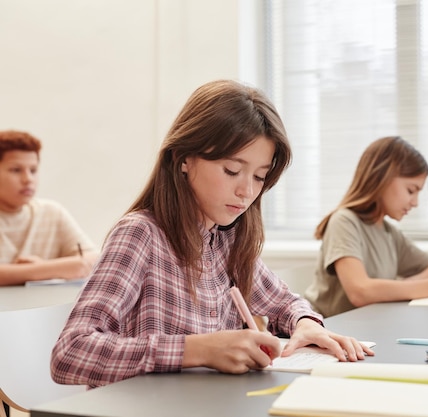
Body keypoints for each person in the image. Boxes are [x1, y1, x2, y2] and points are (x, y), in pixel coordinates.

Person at [50, 79, 374, 388]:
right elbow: (70, 353)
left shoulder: (228, 240)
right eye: (232, 170)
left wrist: (305, 325)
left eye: (260, 177)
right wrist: (199, 350)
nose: (246, 191)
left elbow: (285, 302)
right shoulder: (141, 234)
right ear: (184, 158)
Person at [304, 136, 428, 317]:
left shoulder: (388, 232)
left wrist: (393, 289)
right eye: (411, 190)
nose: (415, 202)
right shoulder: (344, 222)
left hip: (366, 329)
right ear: (383, 178)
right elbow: (360, 292)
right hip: (328, 332)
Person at [0, 130, 98, 286]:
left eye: (33, 170)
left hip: (46, 309)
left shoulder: (51, 213)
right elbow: (78, 266)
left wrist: (38, 268)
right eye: (16, 170)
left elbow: (92, 262)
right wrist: (42, 271)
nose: (28, 179)